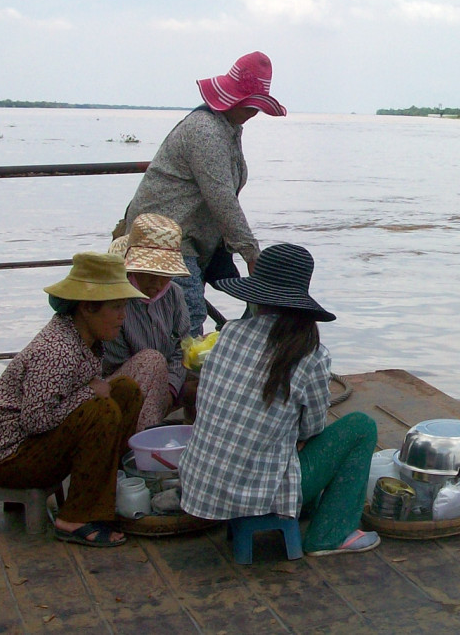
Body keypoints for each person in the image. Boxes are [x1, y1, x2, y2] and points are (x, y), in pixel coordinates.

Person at [179, 244, 380, 556]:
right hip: (255, 494)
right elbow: (310, 430)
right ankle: (330, 535)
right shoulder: (309, 355)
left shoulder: (230, 332)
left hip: (201, 483)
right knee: (361, 427)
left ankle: (309, 509)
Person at [0, 252, 166, 547]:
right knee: (102, 409)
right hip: (9, 457)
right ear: (88, 307)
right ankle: (75, 517)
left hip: (33, 445)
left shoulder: (84, 337)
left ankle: (107, 489)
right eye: (115, 308)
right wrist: (90, 393)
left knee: (124, 390)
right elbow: (35, 420)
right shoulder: (58, 350)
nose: (122, 317)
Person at [123, 51, 287, 336]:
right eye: (250, 106)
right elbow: (222, 198)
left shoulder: (228, 127)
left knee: (178, 318)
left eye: (255, 107)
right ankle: (182, 378)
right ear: (232, 99)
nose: (253, 113)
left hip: (187, 240)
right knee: (188, 318)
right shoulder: (206, 132)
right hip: (164, 240)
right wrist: (251, 253)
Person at [104, 213, 196, 430]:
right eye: (149, 272)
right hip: (122, 382)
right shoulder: (116, 300)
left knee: (207, 378)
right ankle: (143, 439)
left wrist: (172, 387)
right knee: (151, 360)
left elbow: (180, 347)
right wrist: (157, 382)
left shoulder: (174, 294)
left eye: (164, 273)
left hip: (165, 381)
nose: (157, 281)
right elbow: (114, 359)